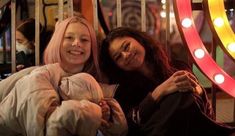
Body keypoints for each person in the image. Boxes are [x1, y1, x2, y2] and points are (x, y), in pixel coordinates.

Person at [0, 16, 127, 136]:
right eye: (69, 37)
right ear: (57, 42)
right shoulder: (38, 76)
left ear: (92, 47)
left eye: (84, 39)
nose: (77, 43)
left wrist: (107, 117)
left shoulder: (100, 87)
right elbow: (39, 126)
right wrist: (92, 113)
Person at [99, 27, 235, 136]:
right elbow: (130, 124)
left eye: (126, 46)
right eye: (118, 57)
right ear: (116, 65)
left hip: (190, 128)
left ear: (139, 40)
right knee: (180, 95)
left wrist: (197, 90)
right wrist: (159, 92)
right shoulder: (123, 91)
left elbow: (205, 109)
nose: (126, 55)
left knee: (184, 94)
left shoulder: (179, 67)